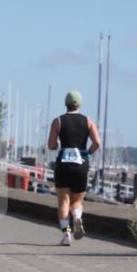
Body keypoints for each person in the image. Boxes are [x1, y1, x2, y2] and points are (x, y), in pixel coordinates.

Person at [47, 90, 101, 246]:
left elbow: (51, 145)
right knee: (77, 200)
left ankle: (66, 235)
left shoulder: (58, 121)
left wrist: (57, 143)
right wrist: (87, 154)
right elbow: (97, 143)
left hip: (63, 163)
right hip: (81, 162)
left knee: (63, 200)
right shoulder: (89, 121)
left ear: (66, 104)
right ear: (80, 104)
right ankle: (77, 217)